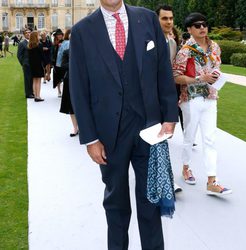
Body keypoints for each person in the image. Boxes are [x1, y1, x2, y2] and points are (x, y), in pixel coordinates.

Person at [70, 1, 178, 249]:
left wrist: (170, 116)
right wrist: (90, 138)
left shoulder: (148, 18)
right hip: (109, 135)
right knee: (116, 204)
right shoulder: (82, 31)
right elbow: (78, 87)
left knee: (151, 201)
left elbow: (163, 70)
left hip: (150, 129)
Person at [173, 13, 232, 196]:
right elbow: (175, 76)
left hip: (211, 97)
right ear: (189, 29)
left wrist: (215, 76)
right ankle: (185, 168)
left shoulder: (215, 46)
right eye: (197, 25)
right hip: (191, 98)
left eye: (204, 24)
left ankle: (211, 181)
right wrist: (200, 78)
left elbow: (217, 67)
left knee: (210, 139)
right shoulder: (186, 50)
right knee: (189, 137)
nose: (201, 28)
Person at [156, 4, 182, 193]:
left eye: (171, 18)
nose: (169, 22)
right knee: (158, 140)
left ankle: (162, 178)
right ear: (156, 20)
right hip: (149, 100)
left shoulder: (173, 44)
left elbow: (170, 74)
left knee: (162, 139)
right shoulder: (147, 42)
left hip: (166, 98)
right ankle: (166, 180)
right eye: (165, 18)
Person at [27, 31, 45, 102]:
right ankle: (38, 96)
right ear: (35, 36)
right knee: (38, 81)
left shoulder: (29, 46)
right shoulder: (39, 45)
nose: (39, 36)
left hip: (32, 65)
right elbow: (42, 56)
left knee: (34, 81)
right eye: (38, 35)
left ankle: (35, 95)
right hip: (38, 65)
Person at [17, 28, 34, 98]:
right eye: (26, 33)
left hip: (33, 64)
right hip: (26, 64)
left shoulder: (33, 42)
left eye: (29, 32)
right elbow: (19, 55)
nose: (28, 34)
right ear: (24, 35)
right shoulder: (22, 43)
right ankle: (28, 94)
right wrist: (23, 63)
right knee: (27, 79)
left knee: (32, 78)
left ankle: (32, 92)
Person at [52, 29, 64, 97]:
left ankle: (64, 91)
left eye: (60, 35)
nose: (59, 36)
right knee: (58, 77)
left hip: (63, 62)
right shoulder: (54, 43)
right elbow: (52, 53)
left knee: (64, 77)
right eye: (58, 35)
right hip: (56, 62)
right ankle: (59, 91)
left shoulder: (65, 42)